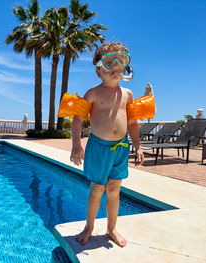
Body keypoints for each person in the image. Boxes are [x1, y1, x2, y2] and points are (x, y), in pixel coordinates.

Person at [70, 42, 144, 247]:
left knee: (114, 191)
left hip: (121, 147)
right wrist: (76, 145)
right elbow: (77, 119)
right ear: (98, 71)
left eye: (121, 62)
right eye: (109, 62)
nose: (116, 67)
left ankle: (111, 229)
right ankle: (89, 227)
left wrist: (138, 146)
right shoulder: (92, 93)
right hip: (99, 148)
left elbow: (132, 123)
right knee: (97, 189)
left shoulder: (128, 95)